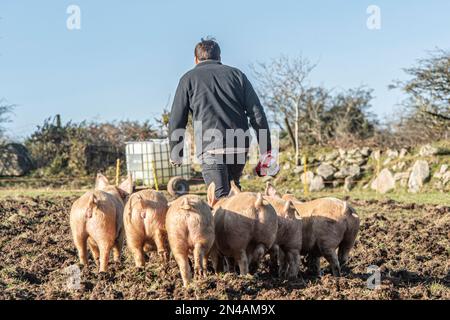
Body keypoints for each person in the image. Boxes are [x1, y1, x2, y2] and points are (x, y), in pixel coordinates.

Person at [168, 38, 275, 201]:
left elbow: (177, 117)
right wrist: (265, 152)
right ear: (219, 57)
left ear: (196, 59)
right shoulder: (237, 75)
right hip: (239, 146)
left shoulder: (188, 79)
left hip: (211, 147)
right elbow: (257, 114)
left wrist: (177, 152)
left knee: (220, 201)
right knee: (234, 194)